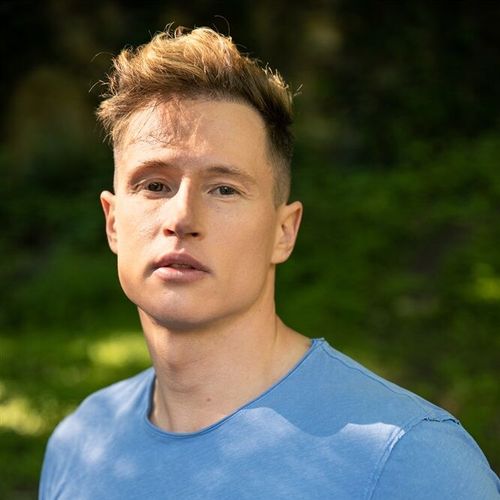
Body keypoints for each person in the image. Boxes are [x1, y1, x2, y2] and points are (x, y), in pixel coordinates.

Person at [39, 26, 499, 499]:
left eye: (224, 189)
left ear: (284, 232)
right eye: (155, 185)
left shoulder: (410, 458)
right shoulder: (81, 443)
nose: (181, 218)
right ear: (113, 222)